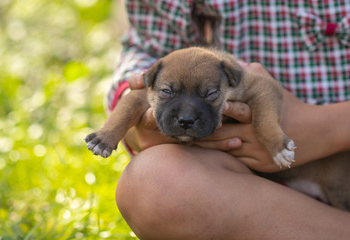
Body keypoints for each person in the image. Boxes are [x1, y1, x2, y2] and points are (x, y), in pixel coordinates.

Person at [110, 1, 350, 239]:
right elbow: (147, 52)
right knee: (154, 185)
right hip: (246, 185)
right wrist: (140, 121)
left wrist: (327, 128)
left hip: (339, 157)